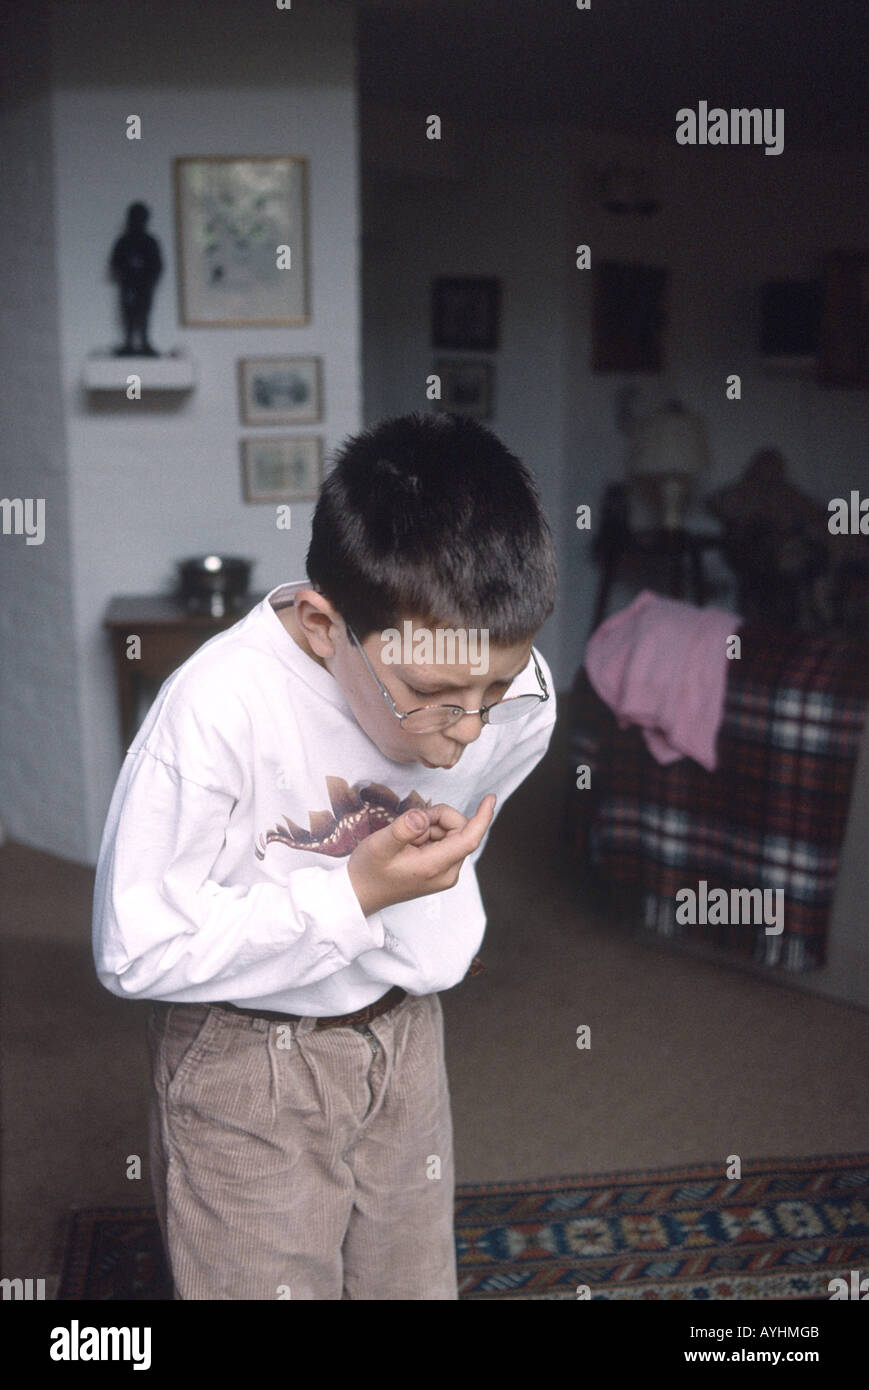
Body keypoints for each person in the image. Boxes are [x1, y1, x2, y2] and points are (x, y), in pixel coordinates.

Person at [92, 411, 558, 1300]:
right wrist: (351, 895)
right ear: (319, 624)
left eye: (490, 688)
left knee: (412, 1283)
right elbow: (135, 947)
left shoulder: (523, 708)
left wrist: (408, 910)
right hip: (244, 1056)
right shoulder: (213, 710)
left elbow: (486, 747)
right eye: (429, 694)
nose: (464, 735)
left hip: (407, 1035)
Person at [109, 202, 163, 356]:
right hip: (128, 286)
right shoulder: (124, 241)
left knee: (144, 314)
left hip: (144, 286)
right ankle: (128, 343)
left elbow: (158, 266)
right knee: (128, 315)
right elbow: (115, 263)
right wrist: (128, 275)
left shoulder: (150, 242)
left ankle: (144, 342)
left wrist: (148, 279)